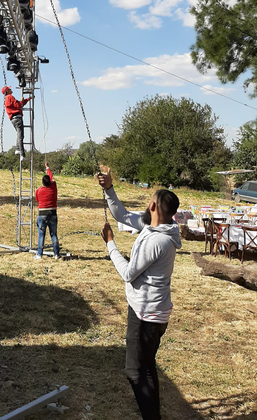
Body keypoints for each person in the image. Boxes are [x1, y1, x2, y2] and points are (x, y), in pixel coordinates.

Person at [98, 169, 181, 420]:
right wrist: (109, 188)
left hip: (146, 316)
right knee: (146, 368)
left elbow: (128, 273)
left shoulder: (158, 241)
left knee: (135, 372)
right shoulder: (157, 227)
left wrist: (110, 243)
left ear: (153, 205)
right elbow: (121, 214)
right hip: (153, 313)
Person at [34, 163, 60, 260]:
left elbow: (37, 200)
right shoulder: (53, 187)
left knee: (41, 235)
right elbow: (51, 176)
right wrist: (47, 167)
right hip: (53, 213)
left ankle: (39, 254)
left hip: (42, 214)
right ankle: (56, 254)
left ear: (43, 182)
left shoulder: (39, 190)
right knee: (54, 234)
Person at [2, 86, 31, 160]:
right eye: (9, 89)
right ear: (7, 91)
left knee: (19, 135)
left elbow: (19, 104)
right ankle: (22, 155)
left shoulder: (7, 98)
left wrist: (27, 99)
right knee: (21, 136)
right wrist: (22, 100)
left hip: (13, 119)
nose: (11, 89)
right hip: (17, 117)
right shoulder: (10, 96)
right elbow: (18, 105)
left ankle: (18, 149)